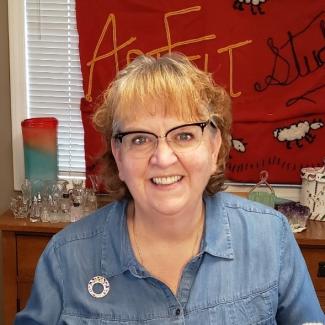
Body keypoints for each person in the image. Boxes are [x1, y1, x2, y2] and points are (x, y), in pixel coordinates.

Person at [15, 53, 324, 324]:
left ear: (215, 146)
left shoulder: (270, 237)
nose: (163, 158)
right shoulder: (66, 258)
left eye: (185, 136)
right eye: (139, 138)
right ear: (118, 156)